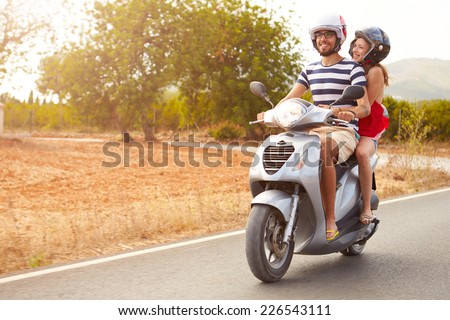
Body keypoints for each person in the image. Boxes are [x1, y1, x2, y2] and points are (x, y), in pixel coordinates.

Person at [258, 13, 371, 241]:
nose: (323, 39)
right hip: (312, 128)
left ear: (338, 38)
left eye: (328, 34)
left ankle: (330, 219)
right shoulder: (310, 69)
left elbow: (365, 107)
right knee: (279, 145)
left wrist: (344, 112)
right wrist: (272, 113)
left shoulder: (352, 68)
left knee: (323, 147)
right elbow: (291, 98)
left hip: (342, 130)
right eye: (318, 35)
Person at [349, 27, 390, 224]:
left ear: (373, 51)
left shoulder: (374, 72)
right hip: (349, 120)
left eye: (361, 47)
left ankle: (366, 207)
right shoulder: (351, 67)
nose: (355, 50)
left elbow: (366, 107)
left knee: (362, 153)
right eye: (354, 46)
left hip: (368, 124)